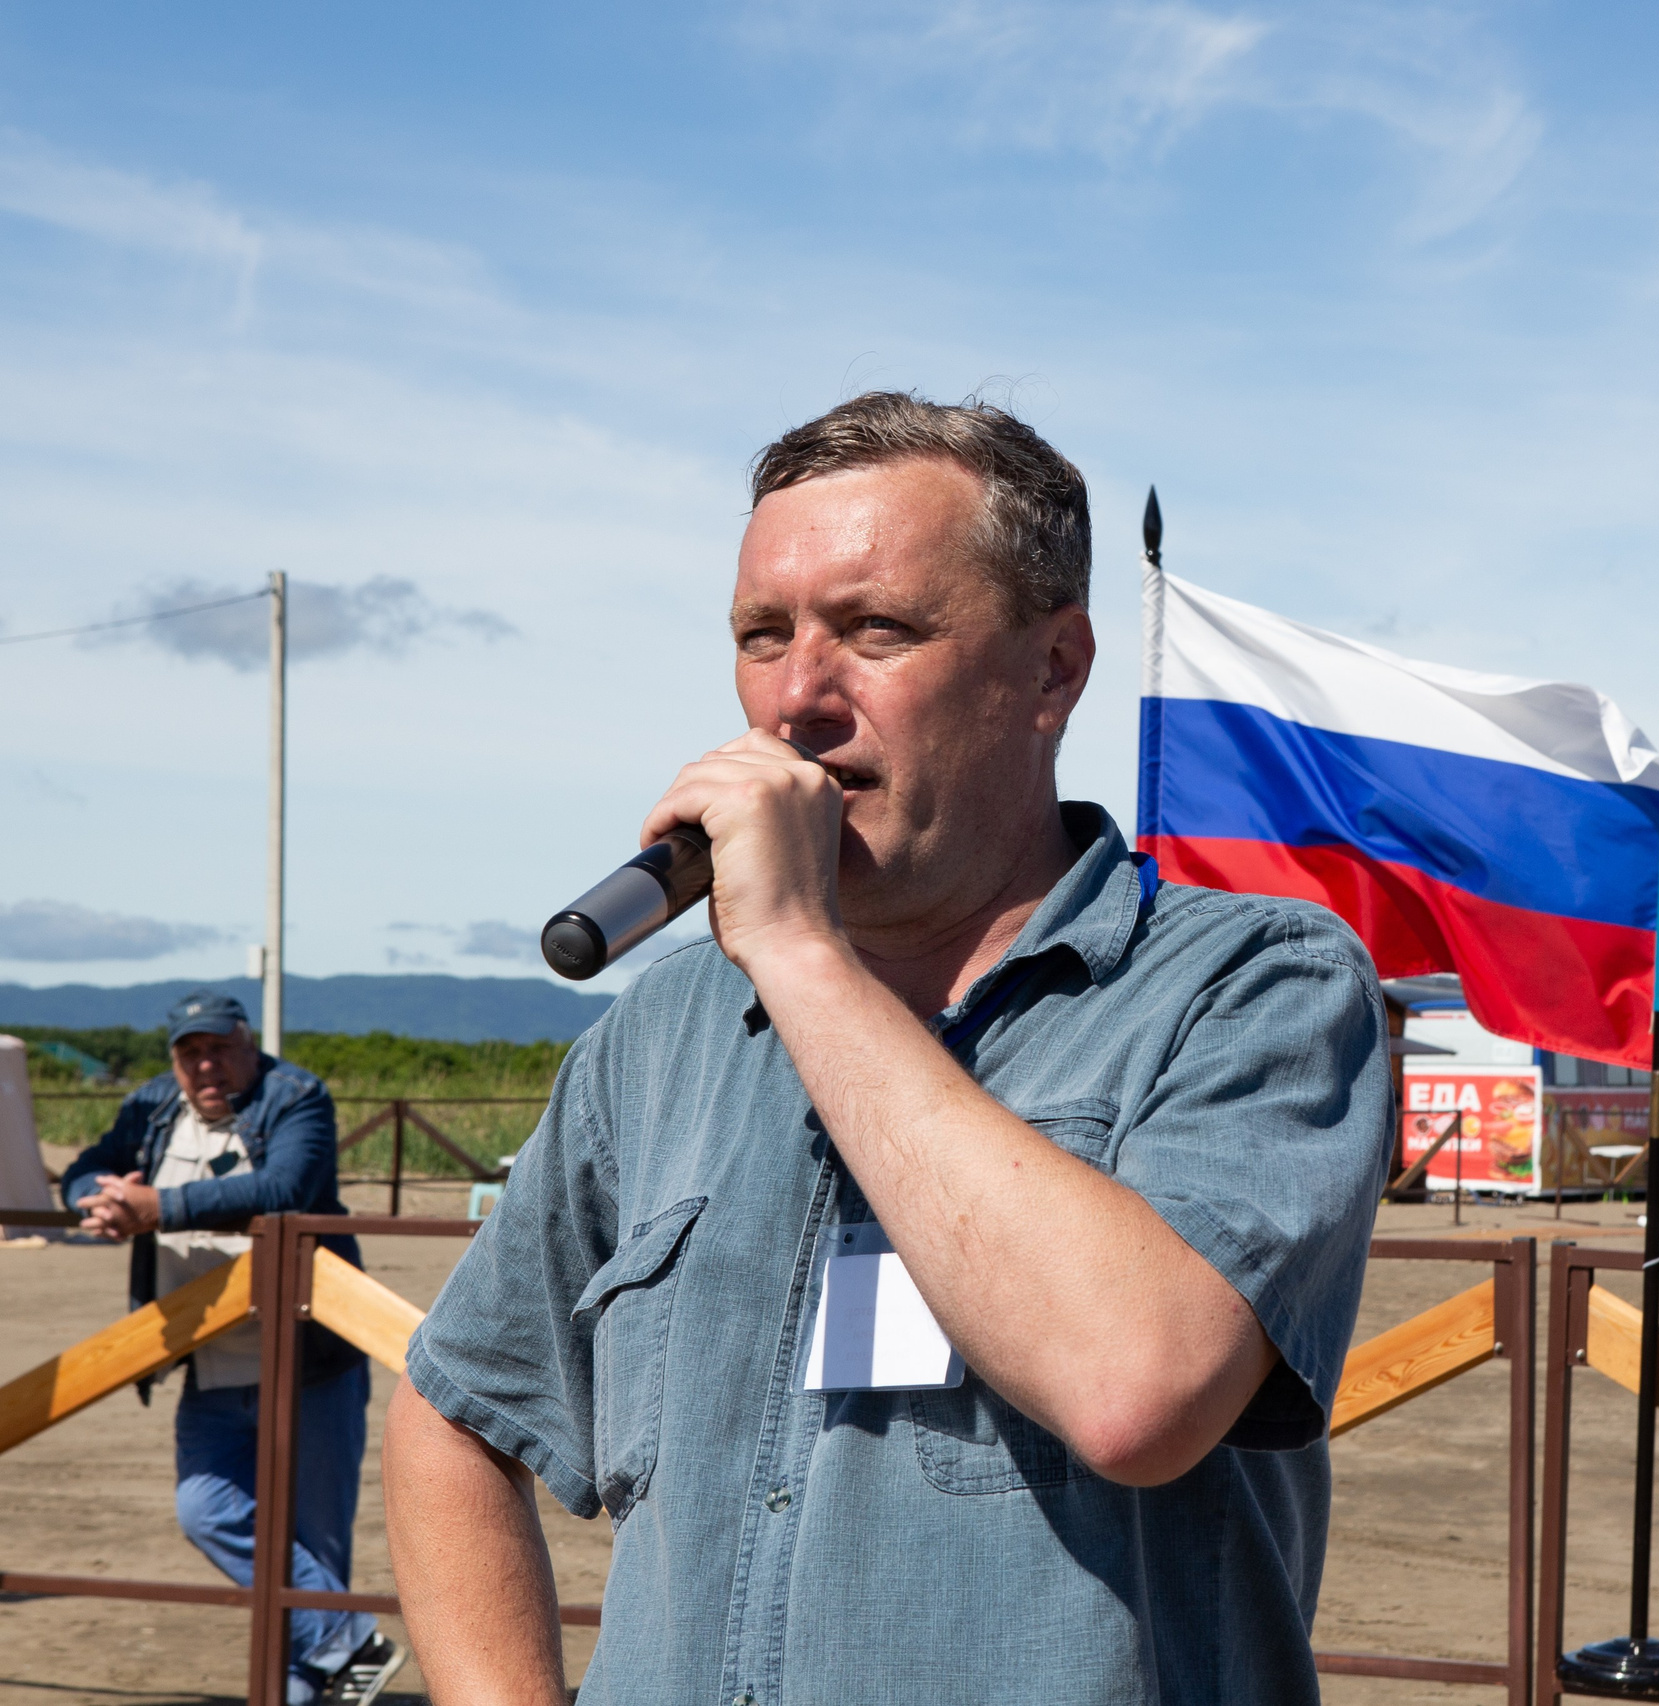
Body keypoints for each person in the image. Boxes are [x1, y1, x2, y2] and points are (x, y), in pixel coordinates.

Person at [384, 393, 1391, 1705]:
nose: (798, 697)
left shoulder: (1257, 985)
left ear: (1054, 670)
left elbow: (1135, 1389)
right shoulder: (666, 1028)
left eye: (877, 630)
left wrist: (805, 958)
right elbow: (454, 1407)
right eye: (763, 636)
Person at [64, 990, 405, 1706]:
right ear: (174, 1062)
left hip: (308, 1364)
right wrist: (95, 1198)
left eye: (218, 1047)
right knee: (206, 1510)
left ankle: (295, 1691)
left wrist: (158, 1208)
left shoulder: (296, 1094)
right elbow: (87, 1163)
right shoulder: (152, 1107)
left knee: (316, 1544)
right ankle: (348, 1644)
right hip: (210, 1364)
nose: (206, 1064)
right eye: (190, 1052)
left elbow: (286, 1186)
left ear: (248, 1044)